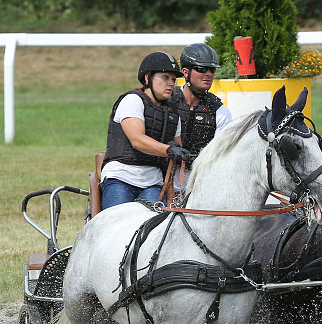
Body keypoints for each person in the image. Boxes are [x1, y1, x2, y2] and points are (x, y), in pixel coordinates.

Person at [100, 51, 189, 209]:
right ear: (147, 78)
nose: (171, 83)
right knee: (118, 222)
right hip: (120, 177)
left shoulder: (174, 114)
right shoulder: (132, 100)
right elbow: (137, 140)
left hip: (153, 183)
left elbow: (178, 149)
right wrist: (169, 150)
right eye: (165, 77)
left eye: (174, 79)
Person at [169, 43, 234, 187]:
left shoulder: (220, 111)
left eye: (212, 70)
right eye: (201, 69)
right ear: (185, 72)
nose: (208, 74)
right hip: (162, 181)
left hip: (201, 184)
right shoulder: (167, 101)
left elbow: (225, 157)